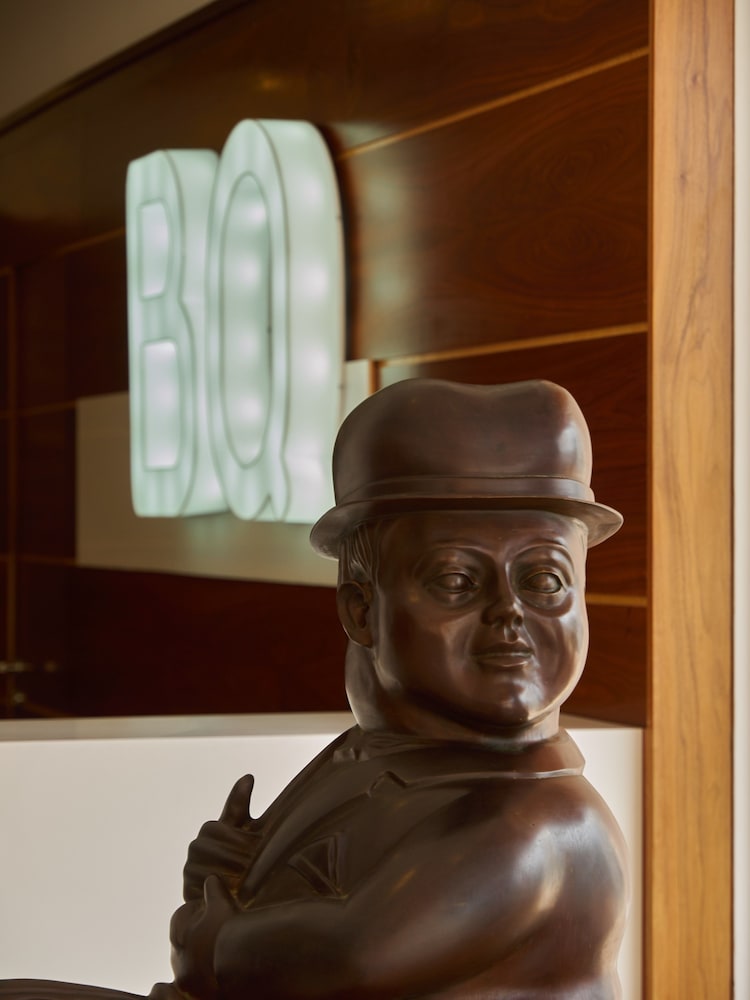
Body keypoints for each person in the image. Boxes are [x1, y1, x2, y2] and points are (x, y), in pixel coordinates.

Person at [2, 378, 629, 1000]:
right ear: (361, 610)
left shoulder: (537, 823)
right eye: (457, 581)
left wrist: (214, 938)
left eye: (545, 580)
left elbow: (349, 957)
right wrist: (233, 874)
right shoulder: (382, 757)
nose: (509, 611)